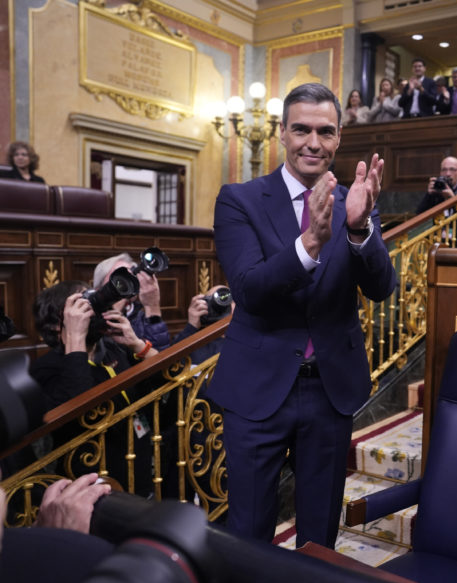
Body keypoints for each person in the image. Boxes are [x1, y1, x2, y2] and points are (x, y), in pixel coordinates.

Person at [209, 83, 396, 548]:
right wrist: (310, 242)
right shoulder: (240, 199)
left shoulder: (356, 201)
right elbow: (250, 290)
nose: (314, 142)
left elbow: (381, 288)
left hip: (329, 389)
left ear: (338, 138)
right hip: (257, 388)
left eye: (325, 131)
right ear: (281, 134)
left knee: (319, 533)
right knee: (249, 533)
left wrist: (357, 230)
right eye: (302, 130)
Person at [29, 281, 158, 487]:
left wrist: (137, 344)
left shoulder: (115, 351)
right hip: (92, 484)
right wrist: (75, 336)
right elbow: (79, 410)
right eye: (83, 306)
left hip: (139, 471)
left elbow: (169, 377)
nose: (93, 311)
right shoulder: (46, 368)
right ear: (56, 323)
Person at [93, 253, 170, 351]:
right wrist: (112, 309)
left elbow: (160, 357)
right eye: (120, 277)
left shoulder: (141, 317)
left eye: (131, 276)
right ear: (99, 287)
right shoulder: (89, 315)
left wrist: (152, 308)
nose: (125, 282)